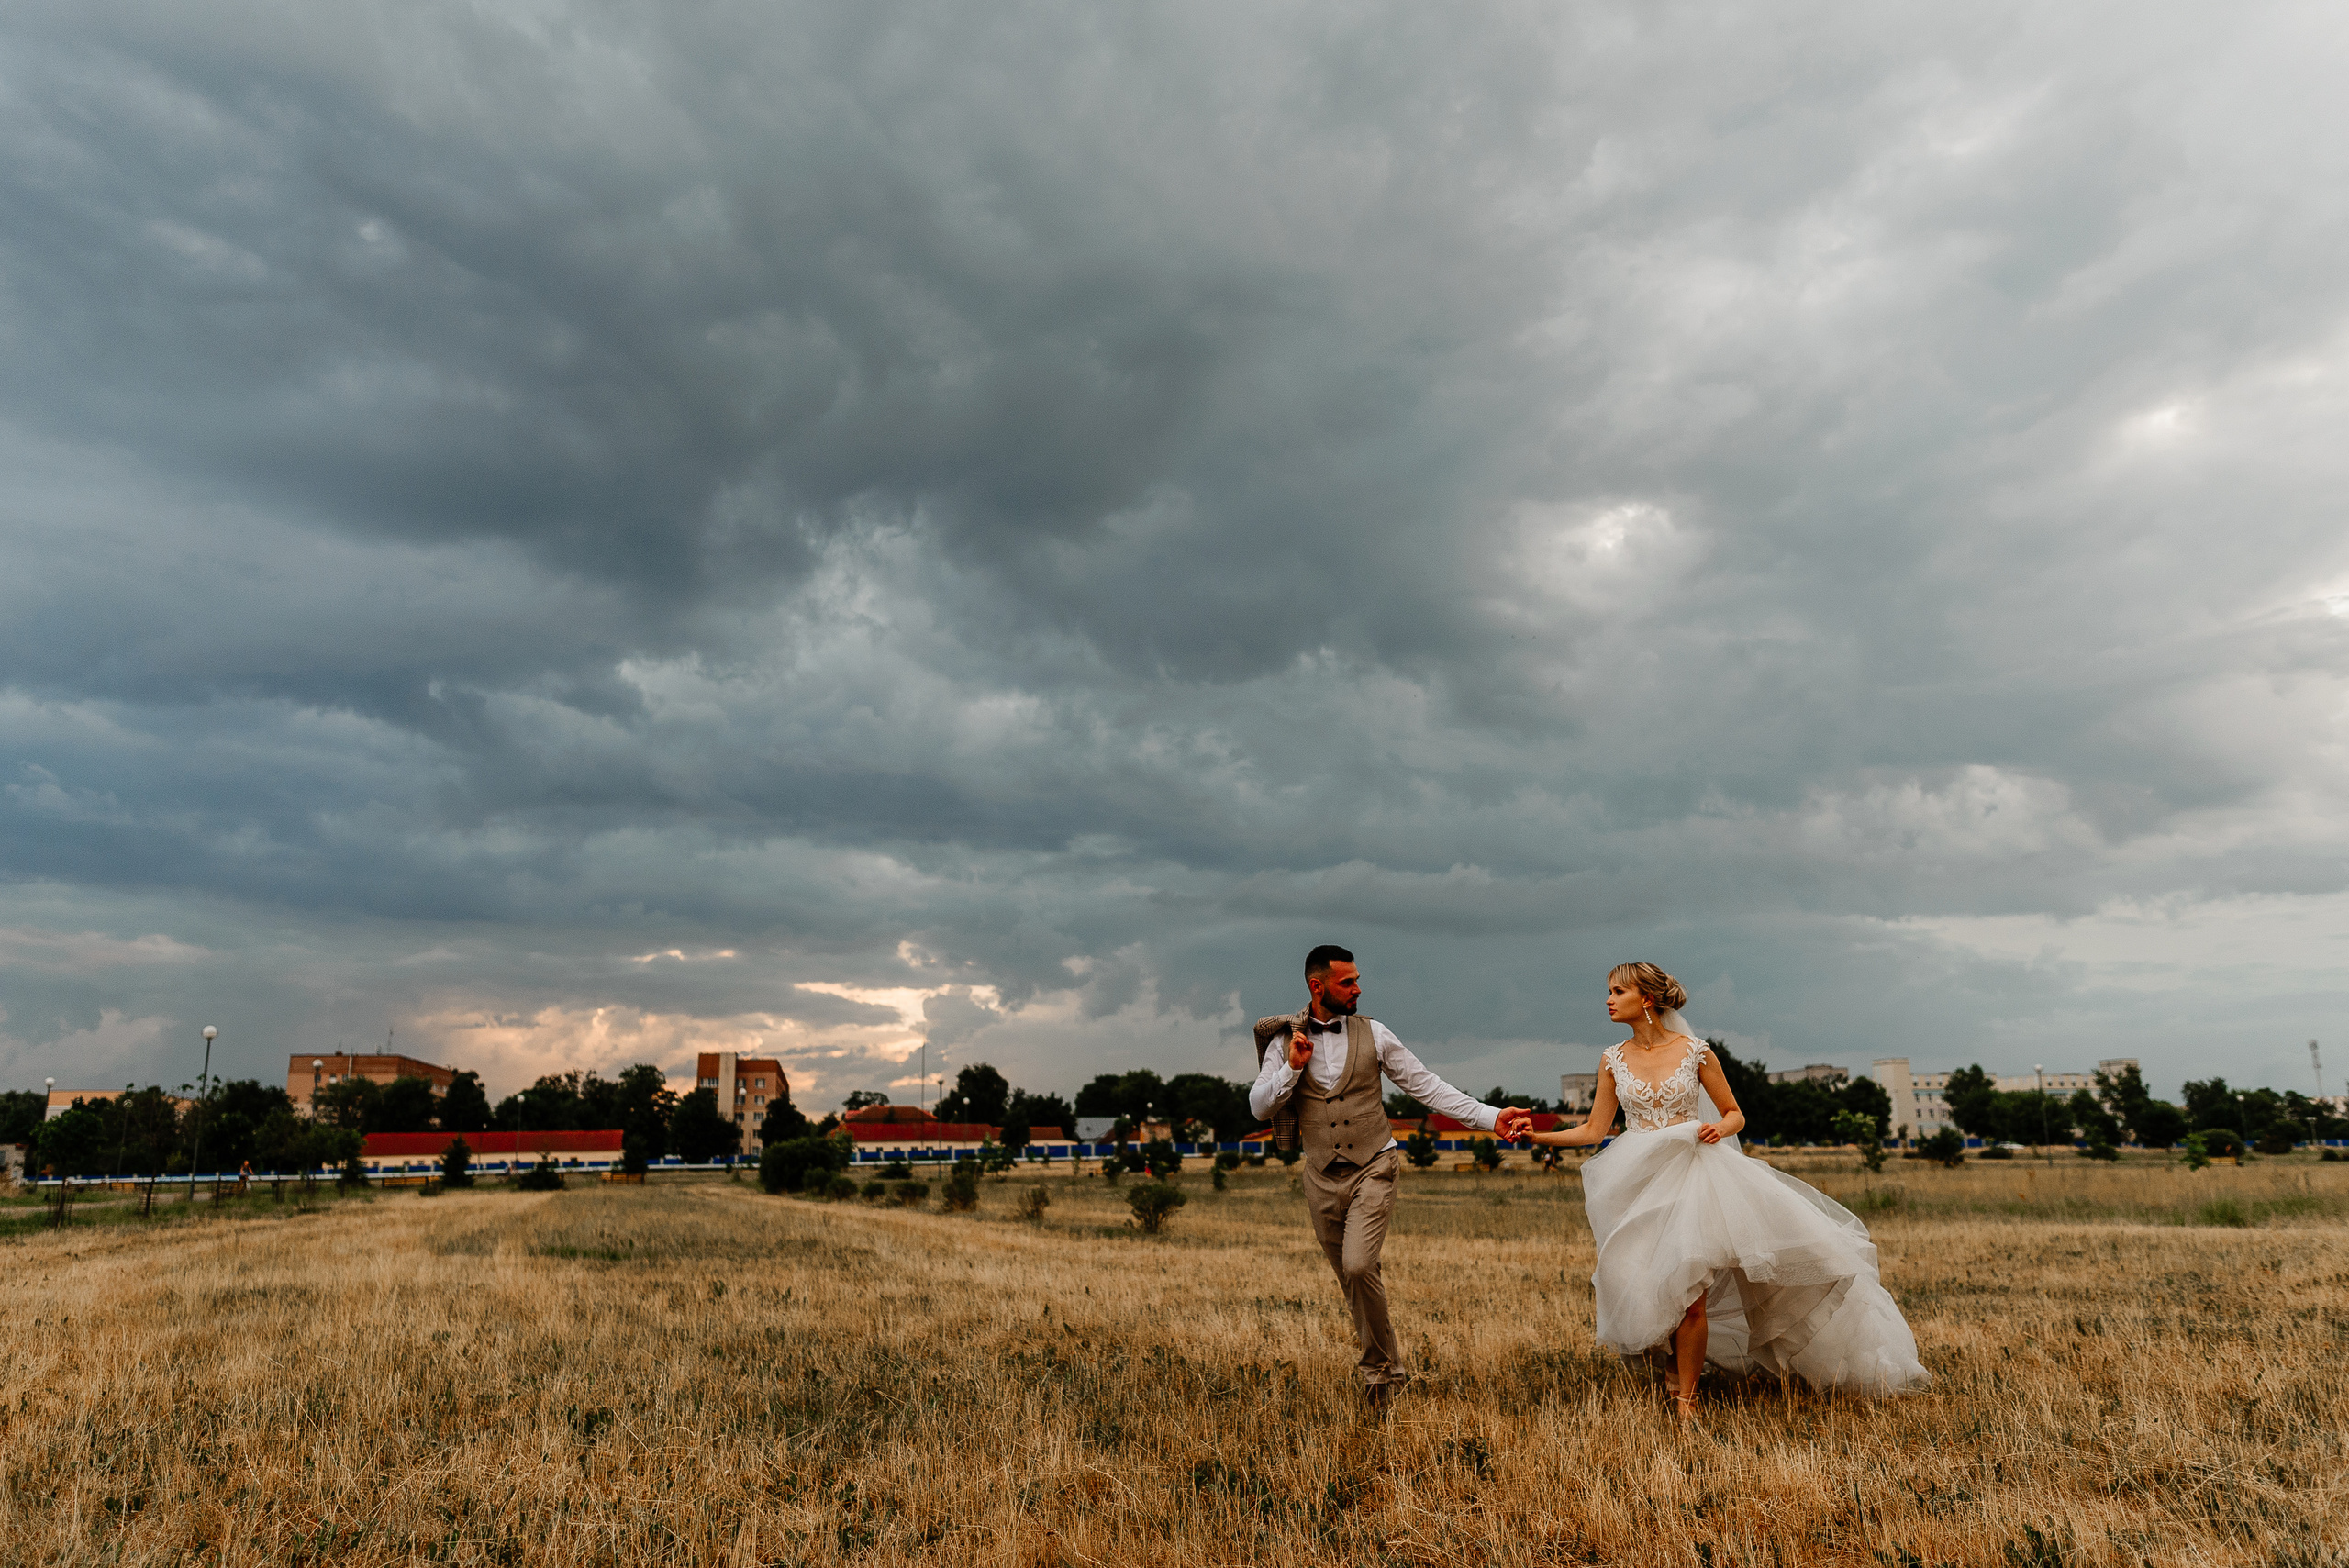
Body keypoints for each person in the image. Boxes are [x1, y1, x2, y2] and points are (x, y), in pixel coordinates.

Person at [1522, 962, 1930, 1421]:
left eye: (1618, 991)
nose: (1608, 999)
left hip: (1695, 1172)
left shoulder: (1695, 1052)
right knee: (1649, 1284)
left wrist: (1720, 1128)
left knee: (1691, 1289)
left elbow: (1735, 1113)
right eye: (1609, 992)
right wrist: (1535, 1137)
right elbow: (1595, 1129)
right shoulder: (1612, 1059)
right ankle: (1674, 1367)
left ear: (1647, 999)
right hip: (1635, 1180)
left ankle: (1686, 1401)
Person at [1250, 944, 1534, 1412]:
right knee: (1353, 1279)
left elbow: (1429, 1087)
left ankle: (1380, 1377)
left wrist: (1491, 1116)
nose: (1358, 989)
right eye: (1347, 982)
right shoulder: (1285, 1044)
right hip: (1320, 1174)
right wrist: (1292, 1068)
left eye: (1358, 979)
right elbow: (1260, 1107)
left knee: (1360, 1266)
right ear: (1317, 987)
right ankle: (1387, 1373)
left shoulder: (1376, 1034)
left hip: (1374, 1165)